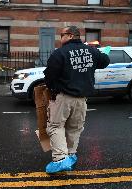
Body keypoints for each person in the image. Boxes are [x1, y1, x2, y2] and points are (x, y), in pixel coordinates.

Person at [43, 26, 110, 174]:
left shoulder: (59, 53)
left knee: (55, 126)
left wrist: (54, 87)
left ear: (71, 35)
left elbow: (49, 76)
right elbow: (105, 61)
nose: (60, 38)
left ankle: (60, 159)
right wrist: (100, 53)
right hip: (82, 99)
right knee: (75, 128)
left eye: (62, 34)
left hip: (63, 97)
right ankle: (71, 156)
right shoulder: (91, 51)